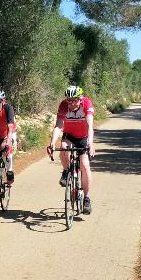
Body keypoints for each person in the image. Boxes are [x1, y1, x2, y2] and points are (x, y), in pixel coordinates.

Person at [49, 85, 95, 214]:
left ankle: (86, 198)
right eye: (69, 100)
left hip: (83, 137)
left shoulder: (86, 103)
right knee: (63, 148)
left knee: (85, 166)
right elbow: (58, 126)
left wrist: (90, 143)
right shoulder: (63, 105)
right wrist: (52, 143)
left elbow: (90, 125)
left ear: (80, 99)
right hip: (69, 136)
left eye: (74, 100)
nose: (71, 103)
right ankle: (66, 171)